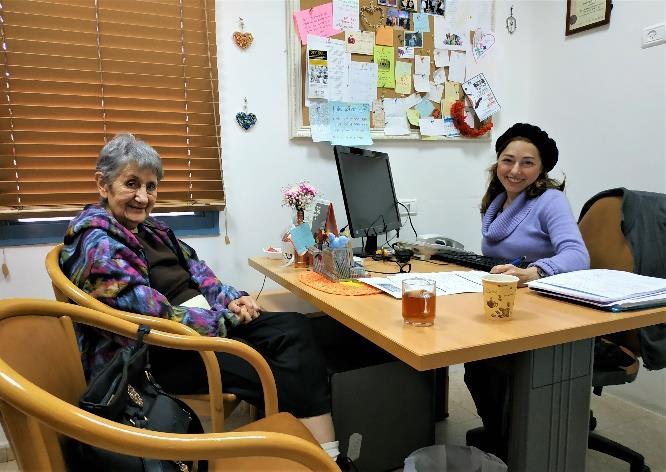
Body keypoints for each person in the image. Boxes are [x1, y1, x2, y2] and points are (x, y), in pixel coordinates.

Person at [60, 133, 354, 469]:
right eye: (131, 184)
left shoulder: (153, 230)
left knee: (295, 327)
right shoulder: (96, 241)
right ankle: (317, 460)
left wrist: (233, 301)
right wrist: (224, 320)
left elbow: (200, 273)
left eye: (151, 186)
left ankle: (323, 456)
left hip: (205, 329)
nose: (143, 197)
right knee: (282, 369)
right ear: (103, 185)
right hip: (162, 350)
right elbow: (148, 315)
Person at [464, 123, 590, 460]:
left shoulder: (550, 201)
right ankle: (500, 432)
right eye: (508, 160)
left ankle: (513, 443)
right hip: (509, 304)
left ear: (542, 169)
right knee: (473, 357)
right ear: (497, 162)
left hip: (544, 310)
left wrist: (532, 272)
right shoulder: (499, 201)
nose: (515, 171)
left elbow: (578, 256)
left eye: (527, 163)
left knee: (482, 362)